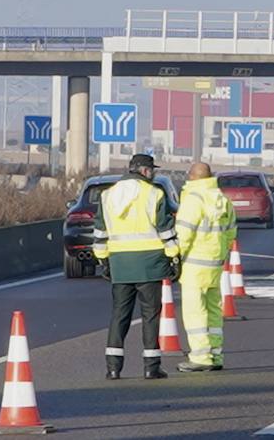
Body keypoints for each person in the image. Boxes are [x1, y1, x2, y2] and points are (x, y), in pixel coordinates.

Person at [93, 153, 179, 380]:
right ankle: (151, 367)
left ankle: (113, 368)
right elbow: (165, 230)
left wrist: (103, 259)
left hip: (120, 263)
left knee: (119, 315)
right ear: (144, 171)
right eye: (153, 170)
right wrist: (174, 256)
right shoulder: (154, 194)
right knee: (151, 315)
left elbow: (100, 232)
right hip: (150, 264)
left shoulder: (107, 195)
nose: (154, 174)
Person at [174, 162, 236, 373]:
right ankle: (216, 353)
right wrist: (220, 253)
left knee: (195, 312)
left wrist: (174, 256)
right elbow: (230, 232)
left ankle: (201, 356)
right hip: (215, 263)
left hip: (194, 264)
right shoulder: (222, 199)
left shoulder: (193, 199)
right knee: (213, 310)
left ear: (192, 176)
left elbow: (184, 233)